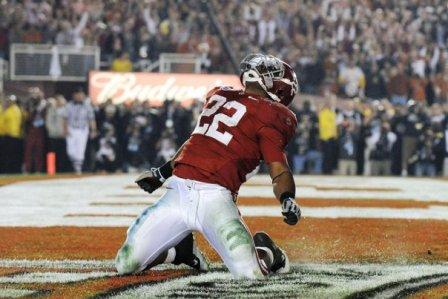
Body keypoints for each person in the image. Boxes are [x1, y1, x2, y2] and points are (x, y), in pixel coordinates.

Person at [116, 53, 301, 279]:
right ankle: (180, 252)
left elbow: (278, 167)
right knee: (125, 263)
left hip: (216, 198)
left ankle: (268, 252)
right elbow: (197, 141)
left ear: (280, 89)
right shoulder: (222, 94)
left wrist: (286, 198)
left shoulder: (273, 115)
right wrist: (163, 173)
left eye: (274, 73)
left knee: (251, 275)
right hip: (178, 192)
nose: (264, 69)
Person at [65, 88, 97, 174]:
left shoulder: (87, 106)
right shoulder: (69, 105)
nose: (79, 96)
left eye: (81, 94)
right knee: (70, 151)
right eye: (77, 94)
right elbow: (65, 118)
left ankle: (78, 169)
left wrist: (93, 130)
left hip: (83, 129)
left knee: (80, 149)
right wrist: (65, 129)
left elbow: (91, 119)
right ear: (74, 95)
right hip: (71, 129)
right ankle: (76, 164)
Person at [0, 95, 23, 173]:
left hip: (12, 135)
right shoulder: (10, 110)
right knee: (8, 154)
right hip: (9, 135)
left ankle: (11, 170)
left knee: (10, 155)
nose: (8, 102)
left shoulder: (13, 110)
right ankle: (9, 170)